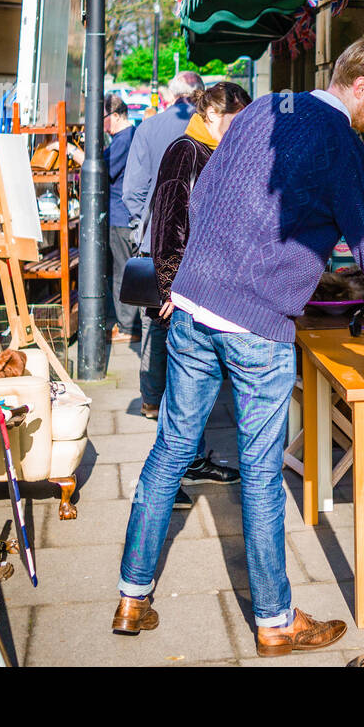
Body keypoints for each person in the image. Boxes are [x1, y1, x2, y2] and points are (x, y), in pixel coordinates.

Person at [113, 35, 364, 652]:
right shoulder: (344, 149)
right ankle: (274, 620)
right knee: (261, 473)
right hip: (254, 324)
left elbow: (215, 191)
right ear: (359, 86)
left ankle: (131, 597)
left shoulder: (267, 109)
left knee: (171, 447)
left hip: (192, 304)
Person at [147, 82, 254, 506]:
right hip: (187, 293)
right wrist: (171, 287)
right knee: (179, 406)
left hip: (207, 292)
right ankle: (168, 484)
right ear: (210, 112)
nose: (239, 126)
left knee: (187, 402)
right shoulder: (186, 150)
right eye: (234, 118)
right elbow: (167, 224)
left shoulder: (216, 149)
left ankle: (183, 467)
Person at [121, 71, 205, 419]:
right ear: (199, 95)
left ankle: (152, 400)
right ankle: (188, 404)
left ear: (171, 96)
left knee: (156, 322)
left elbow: (132, 191)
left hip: (154, 242)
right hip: (196, 242)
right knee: (195, 324)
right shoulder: (205, 129)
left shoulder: (148, 128)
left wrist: (148, 222)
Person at [104, 94, 139, 343]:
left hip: (119, 215)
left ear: (115, 116)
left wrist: (73, 152)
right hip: (126, 214)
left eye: (104, 118)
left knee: (121, 271)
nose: (102, 124)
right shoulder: (131, 135)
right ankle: (127, 323)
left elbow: (102, 169)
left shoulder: (123, 139)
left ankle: (127, 326)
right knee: (126, 268)